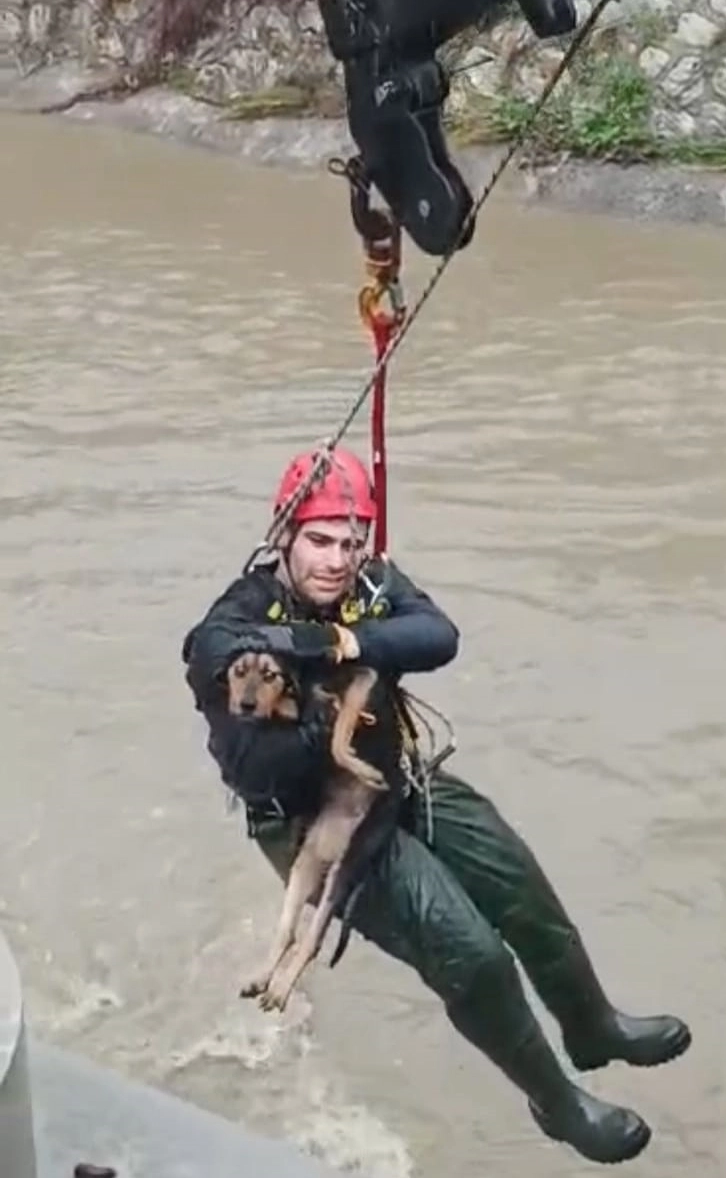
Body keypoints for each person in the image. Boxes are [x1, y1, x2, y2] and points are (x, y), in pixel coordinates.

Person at [181, 446, 692, 1165]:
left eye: (351, 543)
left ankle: (593, 1025)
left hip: (394, 775)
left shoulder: (367, 585)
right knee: (471, 953)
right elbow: (248, 760)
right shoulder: (237, 622)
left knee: (520, 887)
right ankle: (557, 1101)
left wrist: (343, 641)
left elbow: (435, 635)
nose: (336, 560)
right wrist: (320, 701)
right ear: (284, 535)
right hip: (312, 820)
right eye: (319, 541)